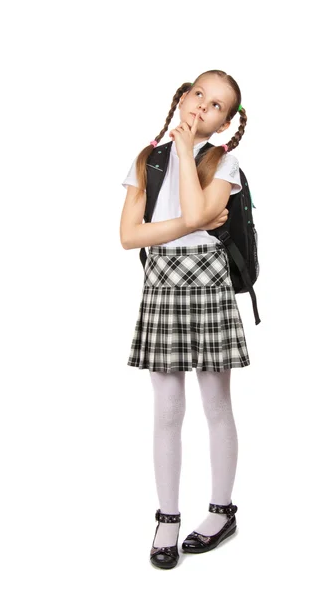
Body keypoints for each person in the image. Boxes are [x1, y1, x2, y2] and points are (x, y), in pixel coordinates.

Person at [120, 70, 250, 570]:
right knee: (167, 408)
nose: (203, 106)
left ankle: (221, 512)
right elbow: (130, 237)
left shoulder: (224, 161)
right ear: (183, 96)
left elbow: (197, 210)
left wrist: (182, 153)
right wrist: (185, 224)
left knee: (216, 403)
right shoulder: (144, 159)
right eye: (199, 94)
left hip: (209, 282)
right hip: (161, 283)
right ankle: (168, 518)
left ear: (223, 124)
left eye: (217, 105)